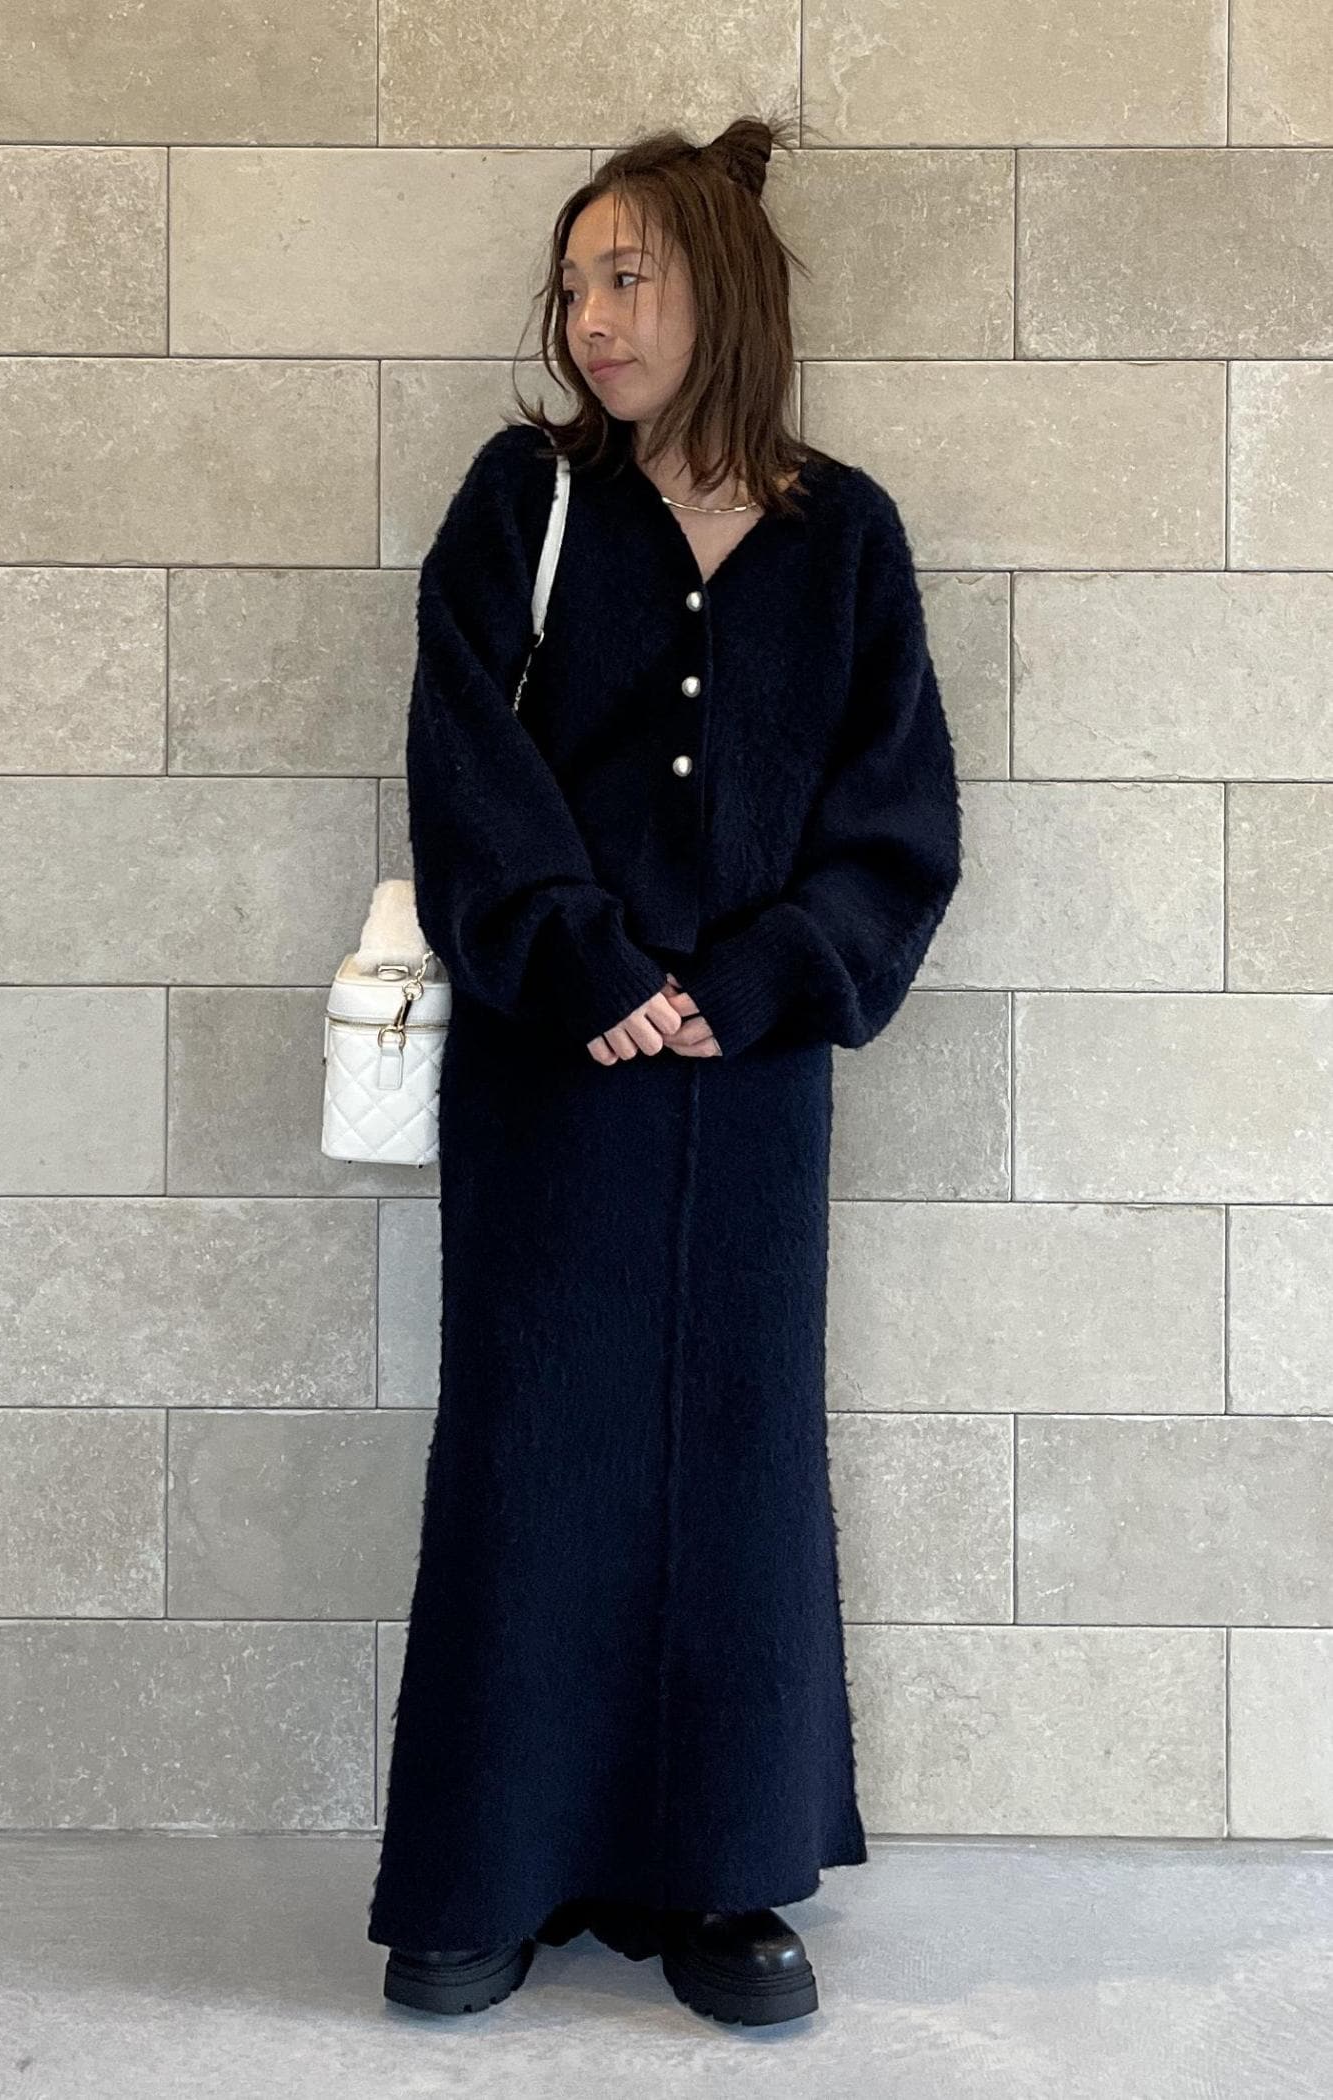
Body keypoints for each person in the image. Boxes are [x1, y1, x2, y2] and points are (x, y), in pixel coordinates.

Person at [367, 113, 964, 2029]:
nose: (593, 319)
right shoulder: (527, 498)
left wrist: (767, 980)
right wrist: (585, 960)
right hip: (554, 1068)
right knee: (532, 1451)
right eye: (574, 285)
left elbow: (897, 821)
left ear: (730, 290)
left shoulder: (845, 536)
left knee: (737, 1462)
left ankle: (721, 1879)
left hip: (754, 1084)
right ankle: (486, 1872)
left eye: (628, 277)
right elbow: (463, 753)